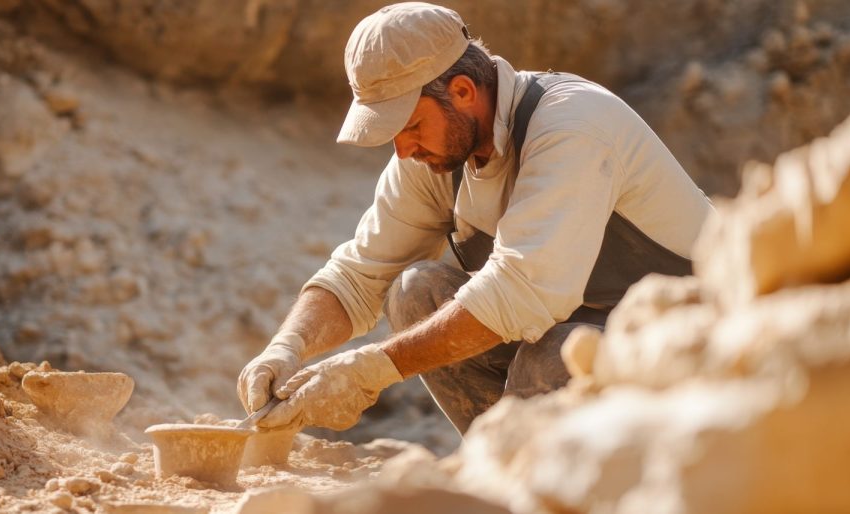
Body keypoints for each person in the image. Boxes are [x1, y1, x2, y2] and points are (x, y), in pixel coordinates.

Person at [237, 2, 713, 435]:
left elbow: (523, 293)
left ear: (462, 91)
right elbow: (359, 275)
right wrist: (288, 346)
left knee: (549, 358)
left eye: (410, 126)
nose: (402, 149)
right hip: (583, 340)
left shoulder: (573, 124)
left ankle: (524, 483)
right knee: (415, 291)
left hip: (698, 352)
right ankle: (504, 469)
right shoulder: (434, 158)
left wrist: (371, 369)